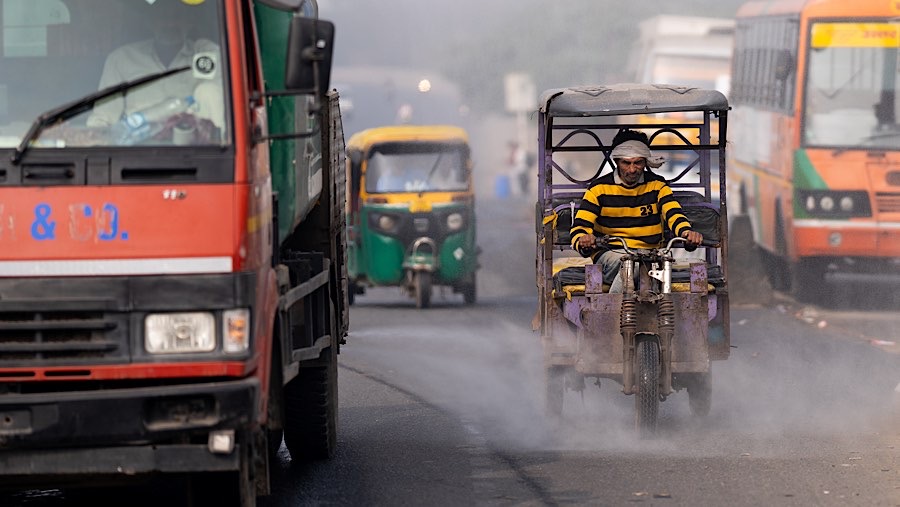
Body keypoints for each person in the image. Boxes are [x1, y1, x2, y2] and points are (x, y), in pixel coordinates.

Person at [569, 129, 703, 293]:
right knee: (632, 265)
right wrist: (584, 239)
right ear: (617, 161)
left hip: (651, 255)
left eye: (638, 163)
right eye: (626, 163)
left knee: (647, 267)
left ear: (645, 162)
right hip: (611, 255)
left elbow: (673, 214)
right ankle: (614, 312)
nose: (632, 170)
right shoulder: (598, 189)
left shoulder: (657, 186)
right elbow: (579, 228)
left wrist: (687, 233)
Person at [86, 0, 223, 131]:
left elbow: (216, 98)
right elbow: (103, 119)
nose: (170, 25)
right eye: (162, 17)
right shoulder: (121, 59)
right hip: (136, 149)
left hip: (198, 150)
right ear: (149, 22)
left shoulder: (203, 55)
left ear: (190, 21)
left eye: (177, 17)